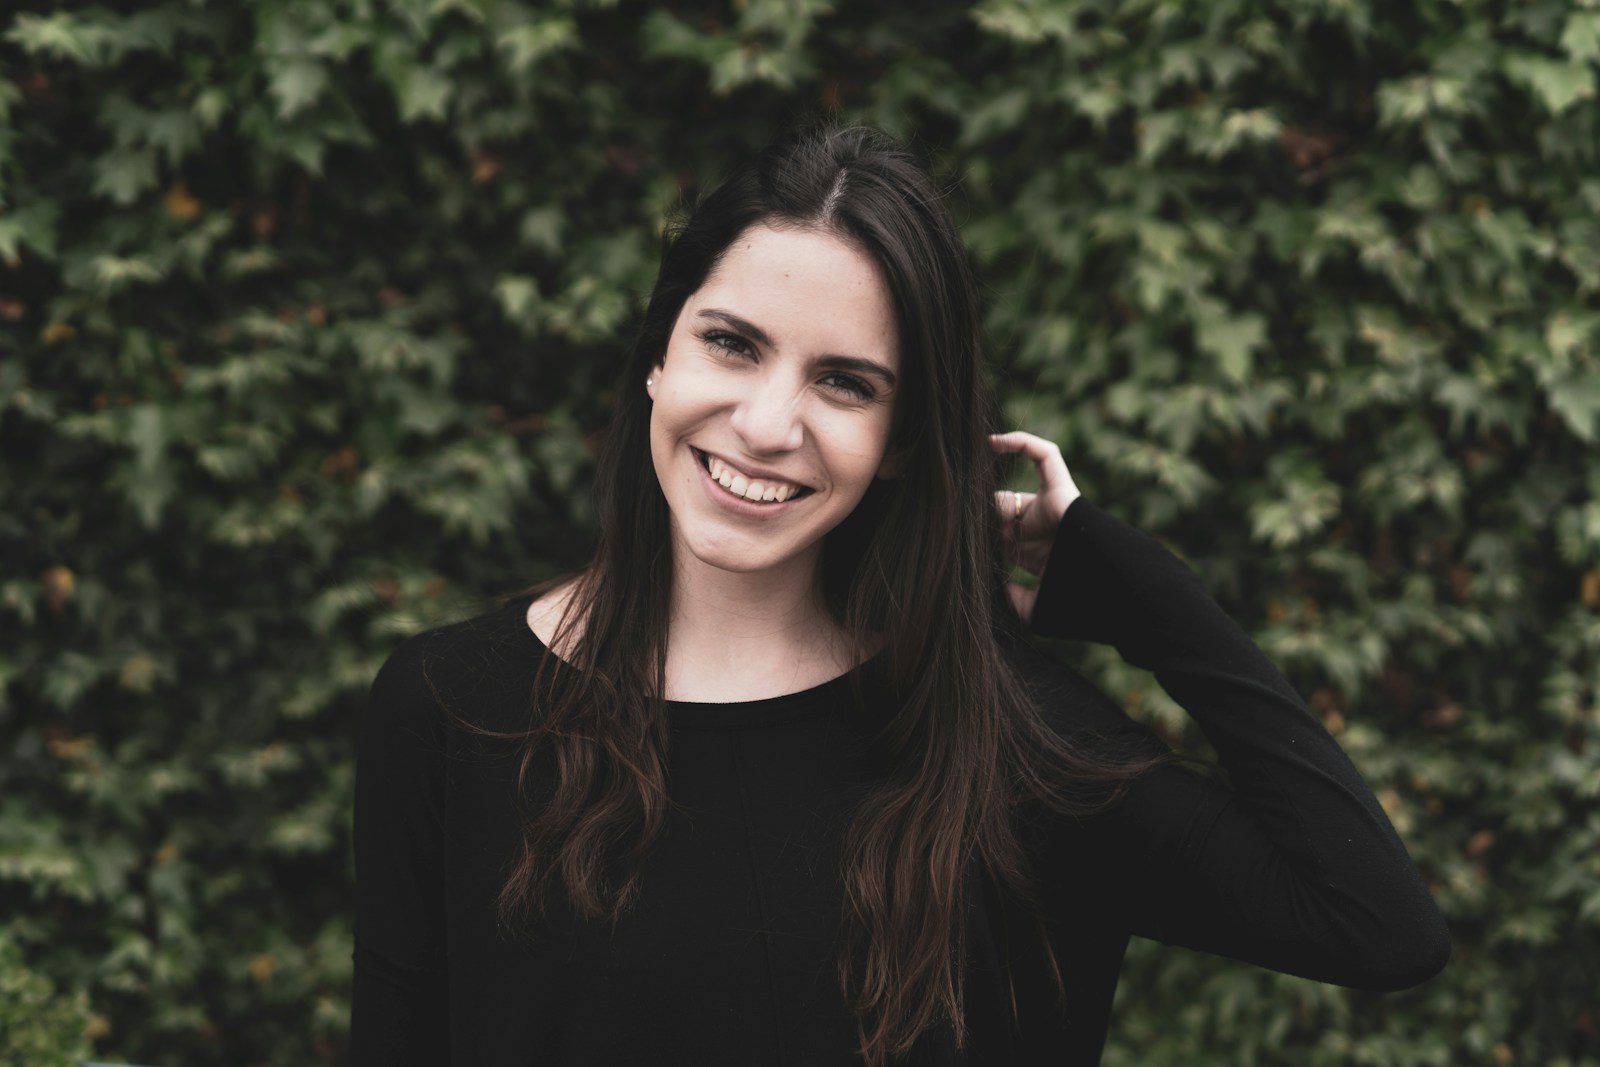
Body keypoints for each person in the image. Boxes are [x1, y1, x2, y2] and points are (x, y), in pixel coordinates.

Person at [350, 117, 1451, 1066]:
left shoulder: (999, 740)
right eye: (731, 343)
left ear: (902, 442)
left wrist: (1138, 593)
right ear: (658, 356)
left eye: (845, 383)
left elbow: (1373, 924)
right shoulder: (452, 707)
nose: (767, 424)